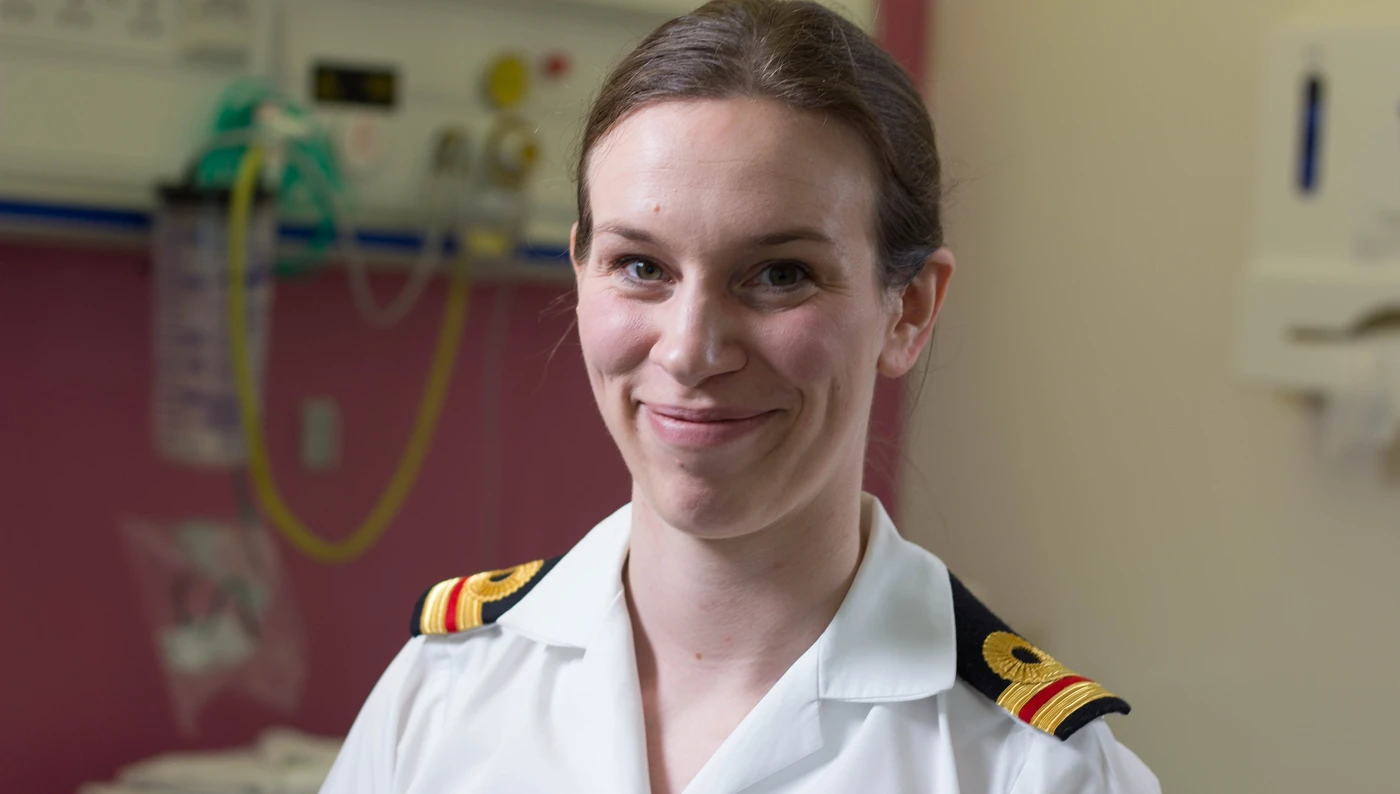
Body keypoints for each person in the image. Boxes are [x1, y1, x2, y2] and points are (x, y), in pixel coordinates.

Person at [319, 0, 1160, 791]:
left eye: (780, 274)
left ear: (908, 310)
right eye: (641, 266)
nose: (690, 351)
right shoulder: (441, 694)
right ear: (580, 274)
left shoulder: (1032, 770)